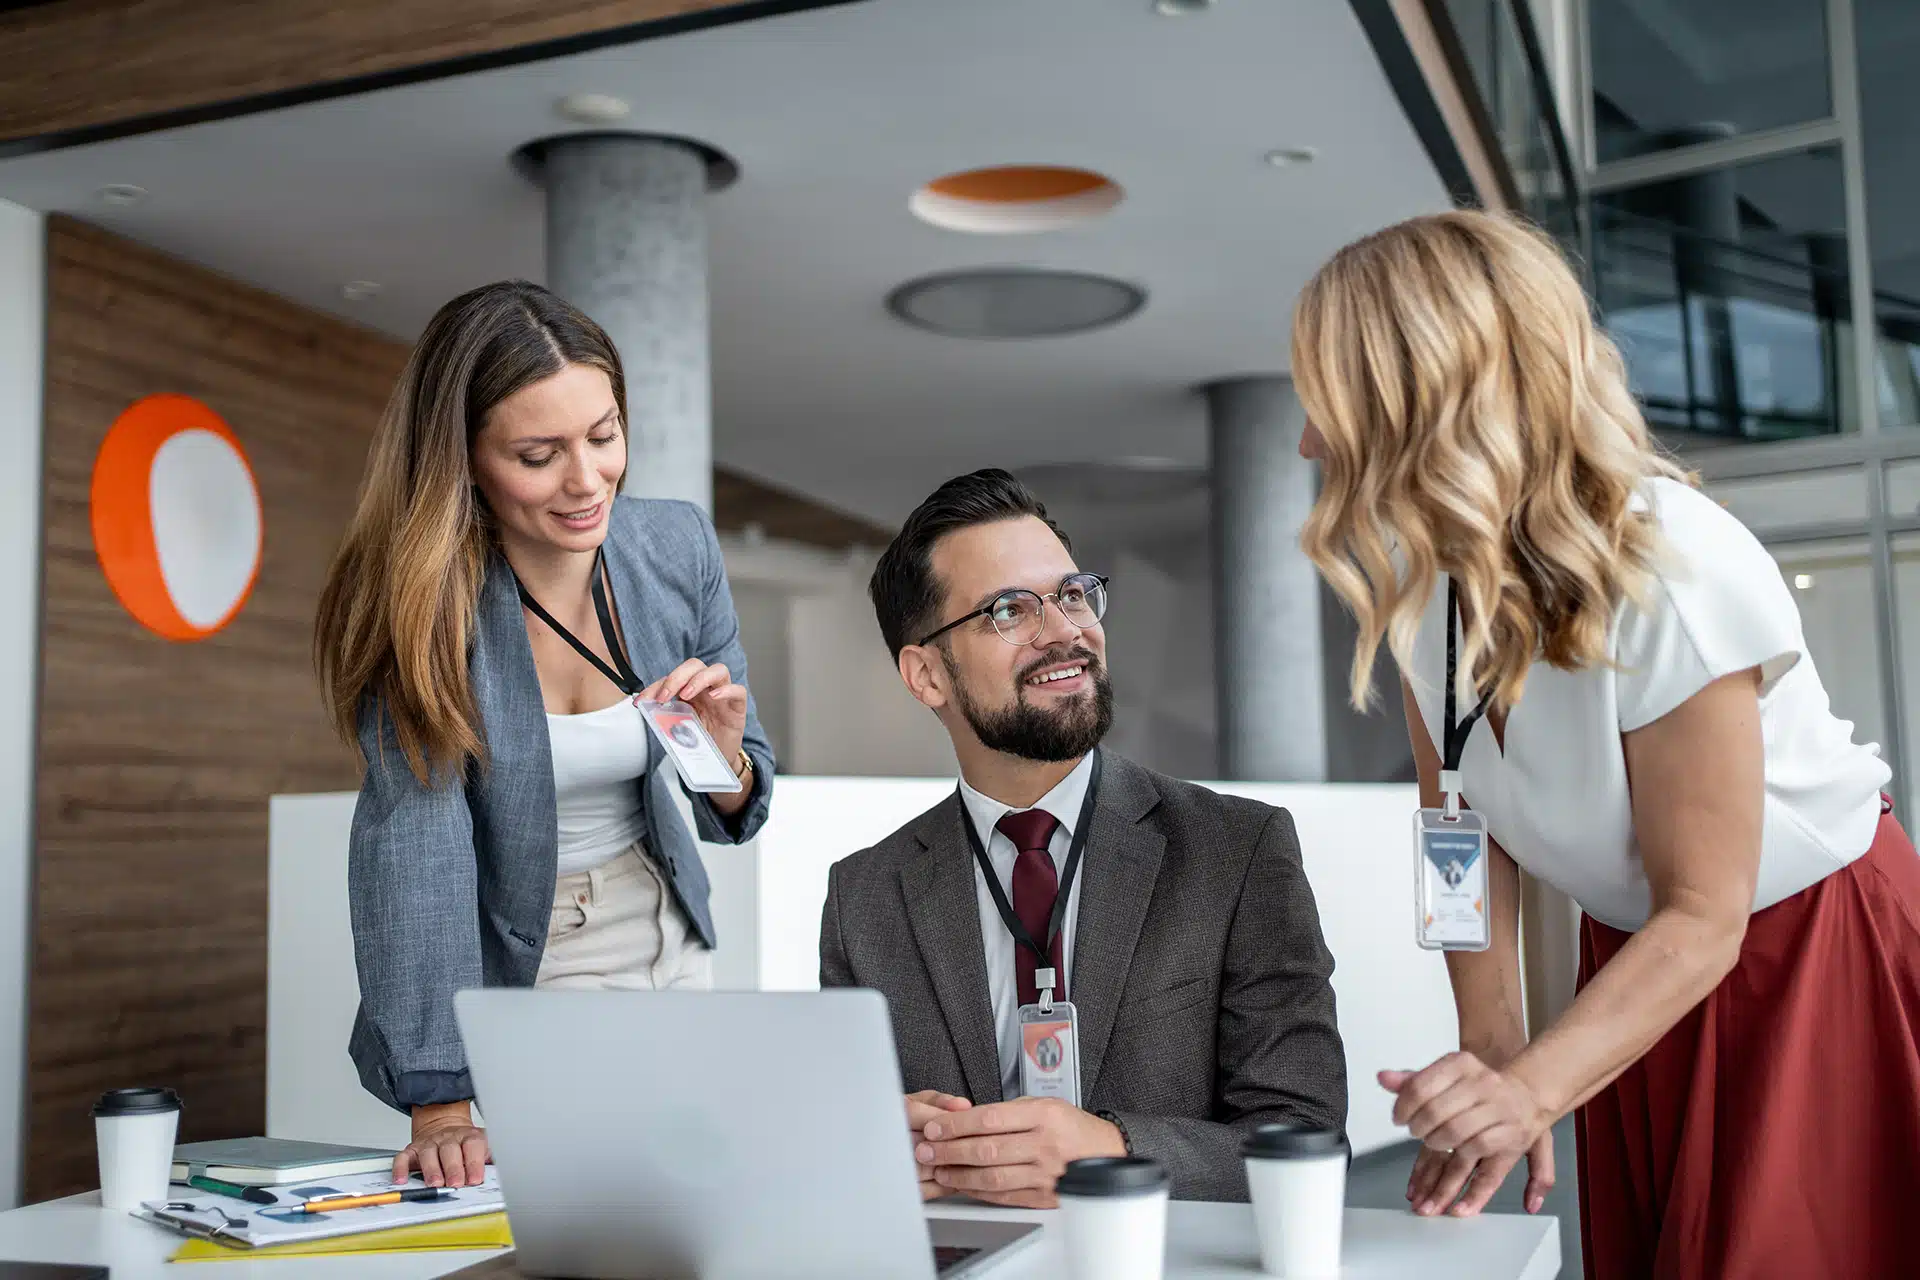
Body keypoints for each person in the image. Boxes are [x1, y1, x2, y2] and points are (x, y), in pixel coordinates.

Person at [1291, 210, 1920, 1278]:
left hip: (1801, 957)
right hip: (1638, 966)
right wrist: (1495, 1055)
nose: (1310, 442)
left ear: (1419, 398)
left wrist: (1534, 1086)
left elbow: (1707, 913)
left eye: (1326, 399)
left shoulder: (1672, 566)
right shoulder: (1429, 597)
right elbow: (1457, 838)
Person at [314, 281, 775, 1190]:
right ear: (464, 459)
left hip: (668, 926)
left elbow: (735, 805)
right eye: (538, 454)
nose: (587, 480)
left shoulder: (676, 547)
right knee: (599, 1209)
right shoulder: (420, 605)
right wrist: (442, 1100)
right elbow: (412, 848)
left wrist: (722, 756)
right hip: (532, 950)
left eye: (604, 436)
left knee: (692, 1196)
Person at [819, 469, 1346, 1205]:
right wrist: (876, 1147)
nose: (1066, 631)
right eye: (1010, 610)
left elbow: (1307, 1138)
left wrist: (1113, 1152)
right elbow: (844, 1145)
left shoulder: (1238, 851)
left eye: (1071, 595)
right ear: (927, 675)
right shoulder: (865, 896)